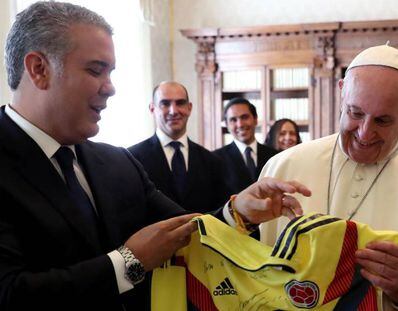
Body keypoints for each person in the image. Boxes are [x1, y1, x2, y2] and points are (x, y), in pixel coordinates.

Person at [0, 2, 311, 310]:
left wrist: (238, 212)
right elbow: (11, 293)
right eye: (96, 70)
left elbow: (182, 233)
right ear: (39, 69)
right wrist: (128, 263)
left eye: (111, 73)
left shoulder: (117, 163)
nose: (110, 89)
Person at [260, 44, 398, 310]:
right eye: (355, 113)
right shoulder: (284, 166)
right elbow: (255, 271)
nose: (365, 133)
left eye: (382, 121)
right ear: (342, 93)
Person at [128, 81, 229, 213]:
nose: (173, 111)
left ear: (189, 108)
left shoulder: (211, 161)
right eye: (165, 104)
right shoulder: (132, 159)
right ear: (152, 109)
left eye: (180, 103)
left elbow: (219, 211)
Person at [214, 97, 277, 195]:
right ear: (227, 125)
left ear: (255, 119)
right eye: (233, 120)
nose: (240, 124)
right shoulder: (215, 159)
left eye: (244, 117)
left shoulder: (274, 156)